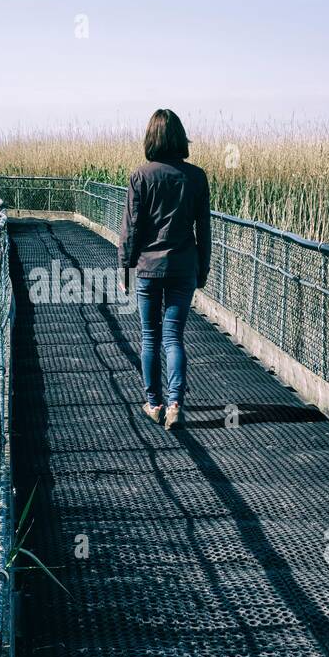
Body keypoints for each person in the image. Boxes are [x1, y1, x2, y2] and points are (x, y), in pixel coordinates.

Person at [118, 109, 211, 429]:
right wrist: (203, 268)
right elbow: (204, 229)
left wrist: (125, 269)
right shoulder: (196, 177)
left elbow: (130, 228)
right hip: (184, 266)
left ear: (150, 138)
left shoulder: (141, 176)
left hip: (147, 267)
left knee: (150, 337)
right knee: (174, 338)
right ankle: (175, 405)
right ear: (180, 137)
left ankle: (154, 403)